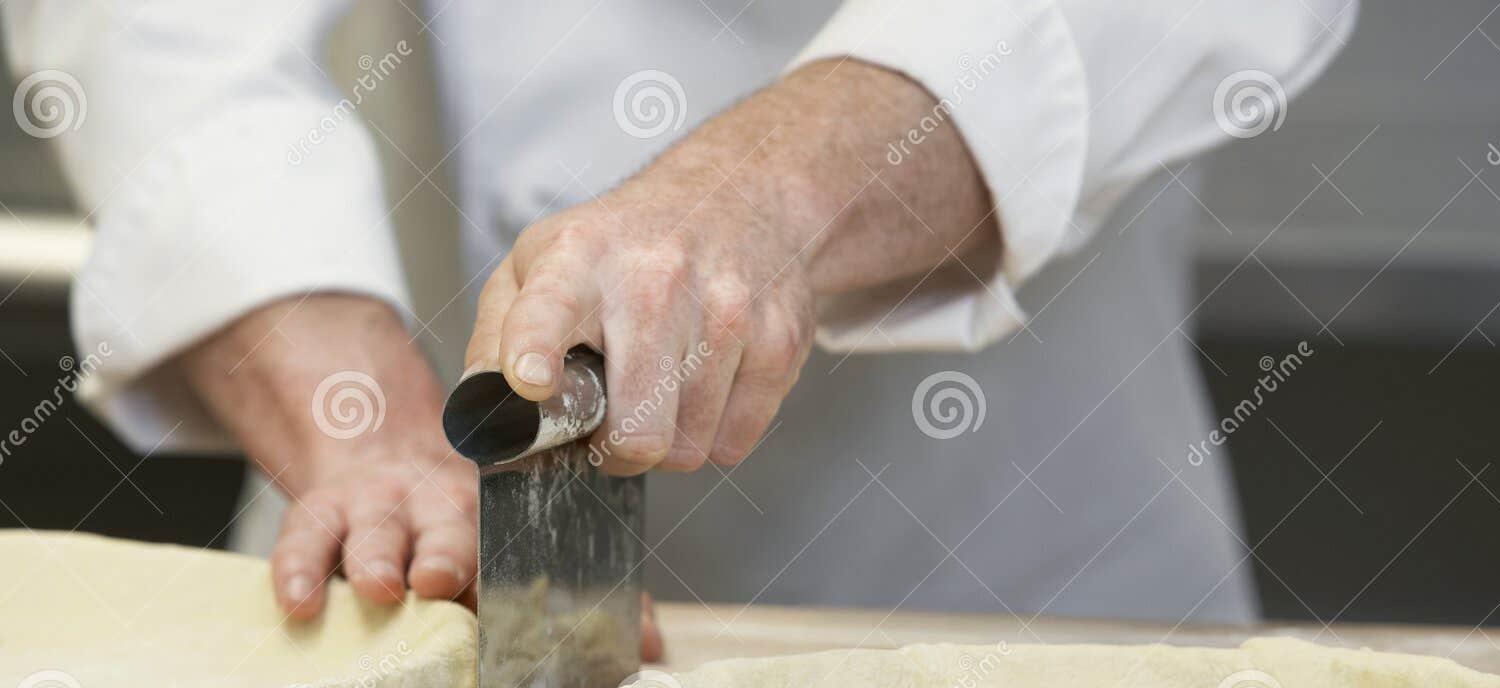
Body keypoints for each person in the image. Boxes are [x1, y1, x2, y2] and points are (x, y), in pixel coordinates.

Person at [5, 1, 1354, 647]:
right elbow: (160, 28)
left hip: (1018, 579)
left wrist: (775, 191)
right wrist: (353, 417)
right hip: (404, 578)